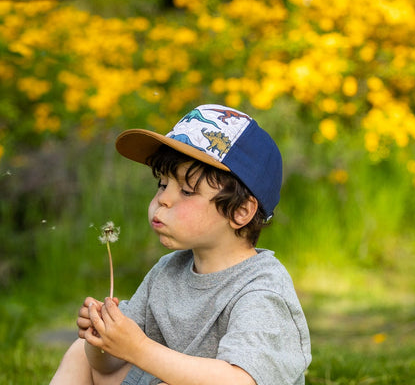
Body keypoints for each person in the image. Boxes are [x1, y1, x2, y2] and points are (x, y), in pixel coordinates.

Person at [50, 104, 311, 385]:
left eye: (187, 191)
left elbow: (241, 380)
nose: (163, 199)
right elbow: (110, 365)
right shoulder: (168, 270)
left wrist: (138, 348)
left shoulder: (260, 288)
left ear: (240, 212)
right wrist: (101, 340)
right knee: (81, 352)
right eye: (163, 185)